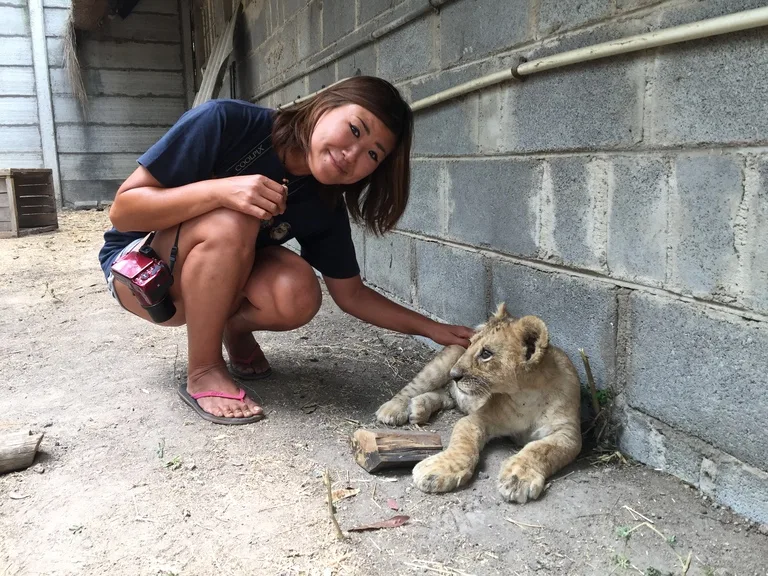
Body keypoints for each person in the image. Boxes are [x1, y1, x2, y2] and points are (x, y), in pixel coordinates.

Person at [98, 75, 474, 425]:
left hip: (213, 269)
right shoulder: (226, 121)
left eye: (372, 155)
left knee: (297, 289)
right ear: (325, 106)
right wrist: (221, 191)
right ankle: (203, 370)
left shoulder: (323, 201)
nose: (352, 154)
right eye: (354, 129)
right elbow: (125, 210)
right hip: (142, 269)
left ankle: (234, 327)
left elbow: (352, 294)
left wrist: (434, 330)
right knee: (233, 219)